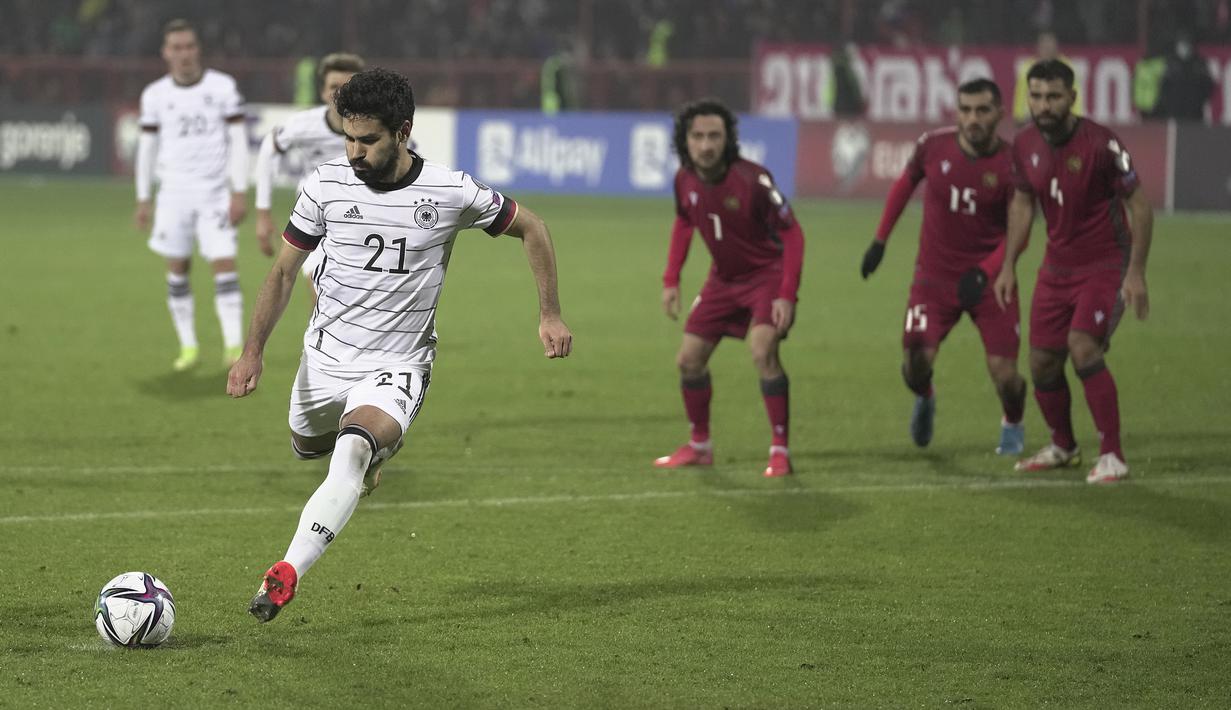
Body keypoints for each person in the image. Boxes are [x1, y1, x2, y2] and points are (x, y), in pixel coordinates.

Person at [227, 68, 572, 622]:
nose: (355, 152)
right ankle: (368, 456)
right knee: (309, 446)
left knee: (353, 449)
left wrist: (549, 313)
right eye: (348, 137)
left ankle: (286, 572)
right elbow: (285, 272)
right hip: (324, 358)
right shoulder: (324, 184)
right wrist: (253, 351)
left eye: (368, 140)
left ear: (403, 132)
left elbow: (532, 226)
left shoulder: (450, 191)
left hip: (399, 362)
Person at [993, 59, 1153, 484]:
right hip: (1056, 265)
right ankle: (1063, 446)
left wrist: (1135, 272)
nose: (1044, 105)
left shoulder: (1102, 143)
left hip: (1104, 262)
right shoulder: (1024, 143)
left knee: (1083, 346)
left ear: (1072, 98)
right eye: (1037, 96)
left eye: (1054, 97)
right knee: (1043, 362)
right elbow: (1023, 203)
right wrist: (1008, 264)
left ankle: (1113, 455)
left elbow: (1139, 205)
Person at [861, 78, 1027, 454]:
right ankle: (926, 397)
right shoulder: (932, 146)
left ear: (1000, 114)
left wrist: (986, 271)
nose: (973, 118)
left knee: (1006, 375)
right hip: (933, 279)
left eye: (982, 110)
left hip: (991, 280)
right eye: (966, 110)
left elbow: (1021, 232)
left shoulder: (1012, 164)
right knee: (915, 363)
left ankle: (1013, 422)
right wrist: (879, 241)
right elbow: (905, 184)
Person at [654, 99, 805, 478]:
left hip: (766, 277)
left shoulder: (752, 179)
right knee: (688, 360)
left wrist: (787, 293)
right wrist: (671, 279)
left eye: (714, 136)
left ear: (728, 139)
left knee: (762, 350)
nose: (706, 145)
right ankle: (700, 446)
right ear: (685, 140)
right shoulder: (683, 180)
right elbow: (684, 222)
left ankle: (780, 449)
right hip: (722, 280)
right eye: (698, 136)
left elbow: (792, 231)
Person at [135, 19, 250, 371]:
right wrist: (143, 198)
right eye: (176, 48)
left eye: (189, 46)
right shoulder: (155, 95)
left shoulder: (222, 87)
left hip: (215, 193)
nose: (184, 54)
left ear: (197, 49)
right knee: (178, 267)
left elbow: (239, 141)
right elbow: (147, 148)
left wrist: (239, 191)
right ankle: (188, 347)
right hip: (173, 194)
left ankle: (233, 346)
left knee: (224, 264)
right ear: (166, 53)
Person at [253, 52, 366, 299]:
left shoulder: (376, 127)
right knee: (321, 286)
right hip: (316, 212)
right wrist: (263, 213)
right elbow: (268, 149)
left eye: (348, 86)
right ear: (324, 92)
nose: (340, 93)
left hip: (363, 213)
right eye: (334, 86)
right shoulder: (304, 125)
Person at [1013, 31, 1083, 124]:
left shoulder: (1067, 68)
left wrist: (1076, 117)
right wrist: (1018, 116)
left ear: (1056, 47)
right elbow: (1021, 96)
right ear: (1038, 48)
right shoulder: (1027, 68)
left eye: (1050, 46)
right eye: (1044, 47)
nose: (1047, 50)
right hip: (1034, 119)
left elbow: (1074, 94)